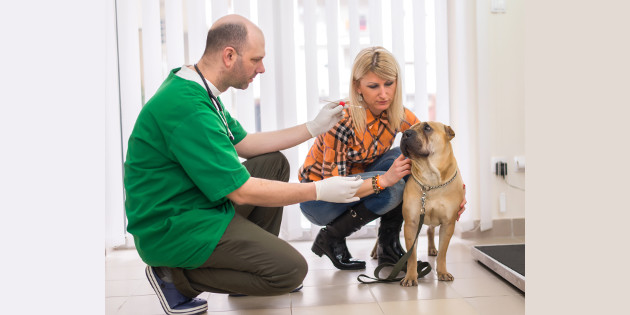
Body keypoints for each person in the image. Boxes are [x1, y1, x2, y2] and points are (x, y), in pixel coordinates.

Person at [123, 14, 363, 315]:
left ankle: (242, 273)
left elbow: (245, 144)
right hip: (172, 227)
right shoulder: (186, 106)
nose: (261, 69)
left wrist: (313, 127)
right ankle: (174, 278)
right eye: (256, 60)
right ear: (229, 56)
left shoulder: (198, 87)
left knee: (273, 163)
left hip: (194, 206)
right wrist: (318, 190)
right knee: (290, 272)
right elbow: (242, 192)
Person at [298, 46, 467, 270]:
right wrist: (385, 180)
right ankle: (331, 237)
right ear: (357, 86)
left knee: (405, 156)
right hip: (319, 198)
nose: (384, 94)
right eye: (373, 86)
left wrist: (457, 191)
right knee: (394, 184)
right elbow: (335, 187)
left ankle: (388, 248)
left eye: (389, 84)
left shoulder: (398, 114)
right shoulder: (341, 121)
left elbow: (435, 149)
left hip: (359, 184)